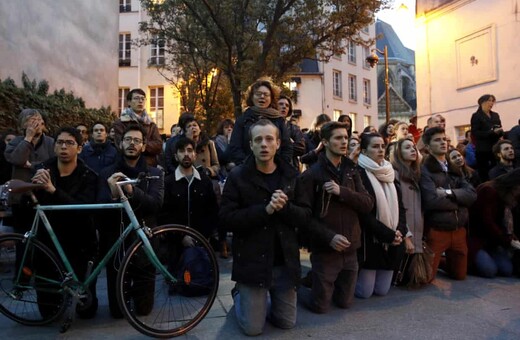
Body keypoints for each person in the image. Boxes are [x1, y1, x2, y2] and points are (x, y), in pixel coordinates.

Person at [219, 119, 306, 336]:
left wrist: (284, 208)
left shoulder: (291, 175)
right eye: (258, 140)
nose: (264, 144)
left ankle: (265, 298)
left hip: (284, 262)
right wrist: (264, 211)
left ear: (278, 143)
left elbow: (305, 215)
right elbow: (227, 218)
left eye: (269, 139)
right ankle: (240, 293)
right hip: (252, 263)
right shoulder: (238, 176)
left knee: (286, 323)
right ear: (251, 145)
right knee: (253, 329)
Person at [296, 121, 373, 313]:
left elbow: (367, 203)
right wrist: (329, 237)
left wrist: (342, 192)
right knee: (320, 306)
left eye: (346, 137)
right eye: (338, 138)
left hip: (350, 247)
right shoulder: (311, 174)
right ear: (325, 142)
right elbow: (303, 218)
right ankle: (294, 289)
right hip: (326, 249)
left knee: (345, 302)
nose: (344, 142)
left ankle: (317, 278)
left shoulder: (352, 169)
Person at [31, 127, 98, 318]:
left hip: (79, 241)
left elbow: (83, 210)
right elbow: (28, 204)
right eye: (59, 142)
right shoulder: (42, 170)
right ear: (54, 147)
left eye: (69, 143)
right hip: (48, 242)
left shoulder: (88, 175)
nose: (63, 147)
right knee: (48, 313)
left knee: (87, 312)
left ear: (79, 148)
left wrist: (53, 191)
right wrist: (33, 190)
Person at [97, 124, 164, 318]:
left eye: (137, 141)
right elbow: (99, 210)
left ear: (143, 146)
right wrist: (111, 193)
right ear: (120, 144)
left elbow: (155, 205)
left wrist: (131, 191)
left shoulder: (155, 173)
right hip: (116, 243)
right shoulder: (106, 173)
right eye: (128, 140)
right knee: (118, 312)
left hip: (145, 243)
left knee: (144, 310)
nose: (132, 144)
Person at [420, 127, 477, 281]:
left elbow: (471, 195)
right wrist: (460, 201)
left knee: (460, 276)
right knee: (426, 279)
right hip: (438, 230)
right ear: (428, 146)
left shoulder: (454, 167)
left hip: (459, 230)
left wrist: (448, 193)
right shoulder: (425, 170)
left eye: (444, 139)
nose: (443, 142)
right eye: (437, 140)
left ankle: (441, 263)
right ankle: (434, 262)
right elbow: (431, 201)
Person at [355, 133, 407, 298]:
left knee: (382, 291)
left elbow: (400, 206)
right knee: (365, 292)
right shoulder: (359, 173)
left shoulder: (389, 172)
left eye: (382, 146)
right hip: (371, 239)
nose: (380, 150)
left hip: (392, 239)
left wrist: (400, 231)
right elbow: (363, 213)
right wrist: (387, 234)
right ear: (364, 150)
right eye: (375, 147)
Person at [4, 109, 55, 234]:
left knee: (43, 238)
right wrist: (28, 138)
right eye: (31, 120)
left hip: (44, 196)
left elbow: (52, 165)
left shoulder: (51, 142)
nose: (36, 123)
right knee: (22, 238)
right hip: (21, 198)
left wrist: (31, 165)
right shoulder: (16, 142)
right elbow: (17, 159)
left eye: (38, 119)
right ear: (23, 125)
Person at [161, 137, 218, 238]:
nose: (186, 154)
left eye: (189, 150)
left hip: (202, 241)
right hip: (175, 245)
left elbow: (212, 212)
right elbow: (165, 216)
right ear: (176, 156)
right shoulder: (168, 182)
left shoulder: (204, 181)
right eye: (182, 151)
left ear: (195, 156)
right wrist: (181, 237)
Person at [227, 78, 293, 166]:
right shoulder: (242, 120)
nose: (262, 97)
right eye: (258, 94)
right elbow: (235, 147)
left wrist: (279, 166)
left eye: (266, 94)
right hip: (248, 170)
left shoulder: (279, 120)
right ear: (252, 97)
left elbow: (287, 147)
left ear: (271, 98)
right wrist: (247, 165)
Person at [468, 168, 520, 278]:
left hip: (493, 241)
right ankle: (463, 262)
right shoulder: (489, 191)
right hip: (477, 238)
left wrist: (511, 238)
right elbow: (488, 223)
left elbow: (505, 223)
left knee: (507, 270)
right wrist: (508, 240)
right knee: (489, 270)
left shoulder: (506, 194)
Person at [390, 138, 424, 282]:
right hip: (403, 232)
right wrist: (406, 234)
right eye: (407, 147)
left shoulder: (417, 174)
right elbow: (396, 207)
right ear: (398, 152)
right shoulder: (394, 174)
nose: (412, 150)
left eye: (414, 147)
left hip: (419, 231)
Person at [112, 88, 163, 167]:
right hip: (126, 165)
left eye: (143, 99)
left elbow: (158, 146)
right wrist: (143, 145)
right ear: (129, 102)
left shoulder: (150, 123)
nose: (140, 101)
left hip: (148, 165)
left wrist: (139, 144)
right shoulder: (121, 122)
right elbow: (121, 145)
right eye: (136, 98)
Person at [470, 94, 504, 181]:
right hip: (483, 150)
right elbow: (475, 133)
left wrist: (500, 132)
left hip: (495, 148)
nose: (491, 103)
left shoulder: (495, 115)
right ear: (482, 102)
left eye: (493, 101)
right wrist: (491, 132)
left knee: (497, 170)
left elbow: (499, 128)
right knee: (485, 173)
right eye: (489, 100)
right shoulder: (476, 116)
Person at [278, 95, 306, 170]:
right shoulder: (268, 125)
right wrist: (290, 143)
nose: (284, 107)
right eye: (280, 104)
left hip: (291, 168)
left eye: (287, 105)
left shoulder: (294, 128)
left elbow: (301, 149)